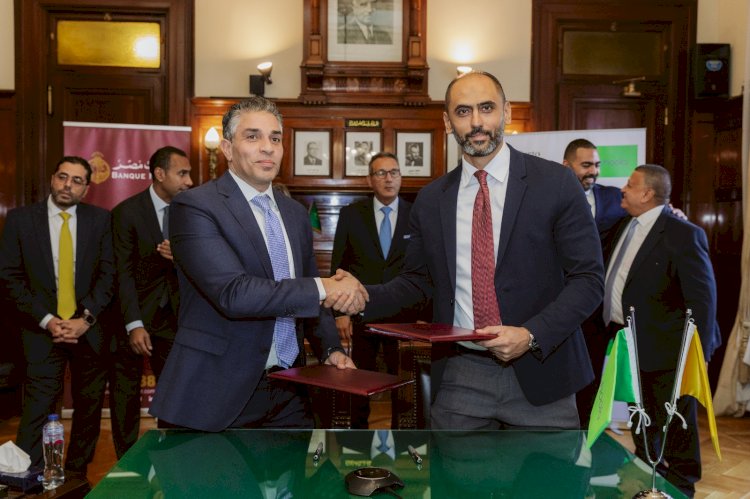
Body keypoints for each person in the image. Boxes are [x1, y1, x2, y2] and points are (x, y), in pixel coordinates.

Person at [351, 71, 604, 430]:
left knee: (548, 470)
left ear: (506, 112)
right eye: (463, 111)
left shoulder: (556, 183)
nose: (476, 122)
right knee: (454, 470)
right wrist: (361, 296)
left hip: (544, 372)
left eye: (486, 108)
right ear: (447, 122)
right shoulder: (431, 199)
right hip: (460, 377)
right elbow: (417, 283)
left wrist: (530, 334)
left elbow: (588, 279)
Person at [149, 97, 365, 431]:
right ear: (227, 148)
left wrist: (330, 349)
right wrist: (327, 286)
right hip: (218, 392)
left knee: (296, 468)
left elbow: (309, 295)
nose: (267, 147)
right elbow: (234, 293)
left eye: (275, 138)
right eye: (253, 136)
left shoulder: (294, 213)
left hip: (291, 387)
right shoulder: (195, 206)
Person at [604, 164, 720, 497]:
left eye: (630, 185)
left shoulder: (682, 233)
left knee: (676, 425)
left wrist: (698, 354)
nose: (622, 189)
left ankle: (682, 487)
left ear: (646, 194)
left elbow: (703, 299)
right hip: (629, 345)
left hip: (669, 350)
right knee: (642, 419)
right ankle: (648, 479)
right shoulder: (622, 225)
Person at [0, 156, 115, 473]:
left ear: (86, 188)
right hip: (40, 330)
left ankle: (76, 477)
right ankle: (30, 476)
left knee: (89, 408)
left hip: (88, 330)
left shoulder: (101, 220)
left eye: (77, 180)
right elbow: (10, 277)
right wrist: (47, 320)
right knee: (37, 407)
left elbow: (109, 275)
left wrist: (85, 320)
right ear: (52, 179)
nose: (68, 185)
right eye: (63, 177)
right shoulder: (21, 219)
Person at [108, 146, 192, 456]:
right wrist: (134, 324)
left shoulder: (191, 212)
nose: (189, 181)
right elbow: (122, 273)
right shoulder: (127, 212)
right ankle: (128, 466)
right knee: (125, 396)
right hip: (131, 318)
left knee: (174, 395)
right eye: (182, 173)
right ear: (160, 174)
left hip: (175, 320)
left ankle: (172, 460)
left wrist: (181, 258)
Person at [331, 152, 425, 428]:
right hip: (362, 314)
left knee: (403, 383)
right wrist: (340, 313)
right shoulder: (351, 214)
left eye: (394, 172)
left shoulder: (416, 214)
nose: (388, 178)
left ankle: (402, 440)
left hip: (404, 316)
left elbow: (425, 268)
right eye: (381, 173)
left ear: (401, 177)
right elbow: (339, 266)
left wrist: (425, 314)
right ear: (369, 180)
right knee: (359, 380)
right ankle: (358, 442)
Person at [562, 138, 626, 242]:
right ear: (567, 166)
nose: (594, 171)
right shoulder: (550, 199)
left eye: (597, 165)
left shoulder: (616, 197)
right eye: (586, 165)